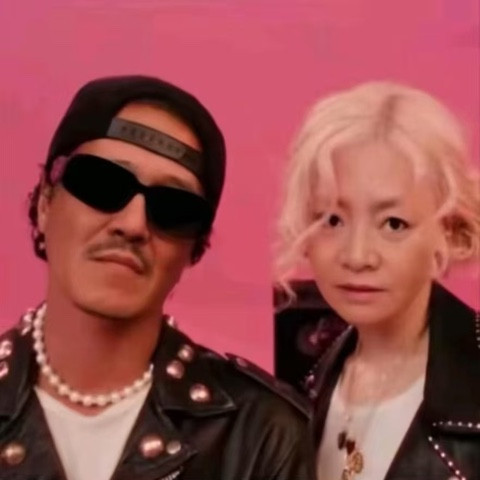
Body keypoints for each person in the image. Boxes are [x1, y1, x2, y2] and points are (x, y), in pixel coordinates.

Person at [0, 75, 314, 480]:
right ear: (45, 202)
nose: (133, 224)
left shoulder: (262, 435)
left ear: (195, 249)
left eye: (173, 207)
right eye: (102, 184)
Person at [275, 81, 480, 480]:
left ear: (449, 230)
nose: (357, 256)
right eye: (332, 220)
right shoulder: (298, 388)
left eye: (393, 224)